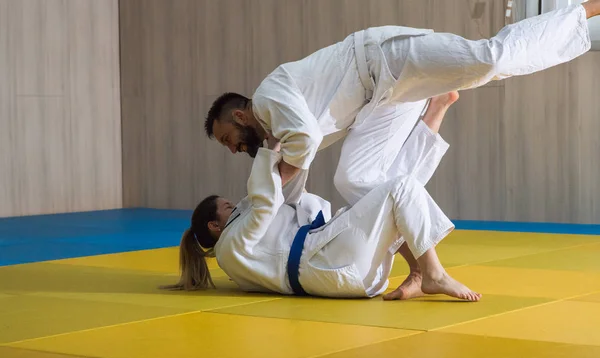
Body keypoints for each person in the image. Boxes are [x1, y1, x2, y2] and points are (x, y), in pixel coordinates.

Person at [202, 2, 599, 299]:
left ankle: (587, 8)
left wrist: (277, 174)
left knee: (488, 59)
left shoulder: (268, 99)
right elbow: (297, 155)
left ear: (240, 114)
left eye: (226, 139)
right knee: (357, 181)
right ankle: (421, 270)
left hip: (384, 60)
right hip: (379, 101)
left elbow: (305, 138)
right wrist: (276, 170)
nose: (233, 149)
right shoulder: (275, 135)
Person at [165, 92, 480, 300]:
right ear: (214, 226)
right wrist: (269, 154)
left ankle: (435, 110)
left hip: (351, 270)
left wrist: (290, 143)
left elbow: (285, 195)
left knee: (389, 185)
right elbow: (263, 207)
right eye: (226, 207)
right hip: (331, 264)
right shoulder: (231, 248)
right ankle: (432, 273)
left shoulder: (242, 240)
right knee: (398, 189)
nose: (234, 206)